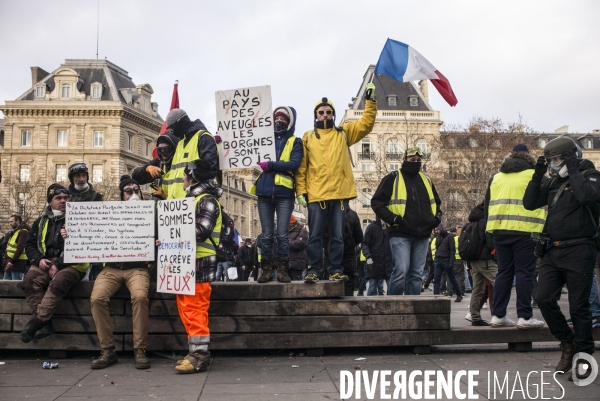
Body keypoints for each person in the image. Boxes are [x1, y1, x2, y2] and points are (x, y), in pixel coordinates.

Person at [524, 137, 600, 380]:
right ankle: (568, 344)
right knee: (544, 298)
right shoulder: (554, 181)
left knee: (579, 307)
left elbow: (587, 196)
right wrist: (537, 175)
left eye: (557, 159)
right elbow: (529, 203)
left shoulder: (590, 175)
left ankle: (585, 357)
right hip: (553, 250)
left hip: (580, 248)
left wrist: (574, 167)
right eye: (550, 161)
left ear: (570, 156)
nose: (554, 165)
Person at [296, 83, 377, 284]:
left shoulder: (344, 133)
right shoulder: (307, 137)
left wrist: (370, 101)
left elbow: (366, 124)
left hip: (339, 195)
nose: (325, 115)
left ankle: (334, 270)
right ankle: (313, 270)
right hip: (316, 195)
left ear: (333, 114)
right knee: (314, 236)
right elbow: (302, 167)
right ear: (316, 115)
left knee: (337, 236)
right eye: (322, 112)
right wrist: (301, 191)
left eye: (329, 112)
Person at [89, 175, 151, 370]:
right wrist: (69, 233)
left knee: (140, 297)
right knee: (97, 298)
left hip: (138, 268)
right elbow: (92, 233)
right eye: (128, 191)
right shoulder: (111, 213)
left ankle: (140, 350)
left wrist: (157, 242)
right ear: (122, 195)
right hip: (112, 268)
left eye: (136, 190)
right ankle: (107, 350)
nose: (133, 193)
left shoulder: (150, 213)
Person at [486, 144, 546, 329]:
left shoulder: (496, 177)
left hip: (499, 228)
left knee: (504, 272)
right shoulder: (533, 175)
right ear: (528, 158)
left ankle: (498, 315)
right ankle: (525, 317)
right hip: (525, 229)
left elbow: (488, 202)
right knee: (524, 272)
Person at [20, 184, 89, 343]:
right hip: (45, 261)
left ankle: (35, 323)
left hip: (72, 264)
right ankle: (46, 323)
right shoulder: (40, 221)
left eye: (66, 198)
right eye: (58, 198)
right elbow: (30, 245)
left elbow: (83, 246)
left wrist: (58, 263)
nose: (63, 201)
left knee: (58, 282)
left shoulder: (80, 218)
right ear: (50, 201)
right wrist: (39, 259)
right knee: (29, 281)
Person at [172, 160, 223, 373]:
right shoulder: (192, 200)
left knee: (195, 308)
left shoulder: (206, 200)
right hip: (187, 261)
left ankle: (199, 356)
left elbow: (202, 231)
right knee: (185, 307)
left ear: (191, 178)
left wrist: (171, 234)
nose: (182, 179)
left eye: (184, 176)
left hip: (200, 260)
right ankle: (194, 352)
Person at [371, 146, 443, 295]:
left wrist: (436, 219)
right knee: (401, 272)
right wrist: (394, 219)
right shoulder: (393, 177)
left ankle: (413, 309)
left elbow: (436, 202)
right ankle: (394, 308)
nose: (416, 162)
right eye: (412, 160)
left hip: (422, 234)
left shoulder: (426, 180)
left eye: (418, 160)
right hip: (400, 233)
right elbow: (377, 202)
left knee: (416, 275)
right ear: (404, 160)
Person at [252, 106, 302, 283]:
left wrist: (271, 165)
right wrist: (223, 141)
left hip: (284, 194)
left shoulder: (296, 141)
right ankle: (266, 270)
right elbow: (242, 148)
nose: (279, 121)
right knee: (266, 235)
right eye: (276, 118)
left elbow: (294, 164)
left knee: (282, 234)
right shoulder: (264, 139)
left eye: (283, 119)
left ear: (290, 122)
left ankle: (282, 270)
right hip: (264, 192)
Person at [164, 109, 219, 200]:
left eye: (173, 128)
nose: (173, 132)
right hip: (175, 205)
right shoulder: (180, 143)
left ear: (180, 123)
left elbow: (210, 170)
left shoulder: (203, 137)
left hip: (194, 202)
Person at [67, 163, 104, 281]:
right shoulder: (66, 197)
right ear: (72, 178)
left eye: (84, 175)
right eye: (77, 176)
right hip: (73, 249)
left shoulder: (97, 197)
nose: (81, 179)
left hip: (94, 246)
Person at [466, 202, 497, 326]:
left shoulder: (473, 221)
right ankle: (499, 315)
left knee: (477, 290)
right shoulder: (486, 221)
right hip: (486, 259)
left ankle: (475, 317)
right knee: (500, 283)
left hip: (474, 260)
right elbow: (490, 243)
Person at [324, 206, 363, 295]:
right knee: (348, 288)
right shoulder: (353, 214)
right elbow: (359, 237)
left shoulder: (326, 214)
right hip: (348, 256)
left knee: (329, 288)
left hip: (329, 256)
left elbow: (322, 237)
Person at [132, 130, 180, 199]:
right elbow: (135, 177)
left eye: (166, 150)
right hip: (157, 207)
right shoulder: (158, 163)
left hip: (175, 207)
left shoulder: (181, 164)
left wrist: (166, 196)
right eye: (160, 150)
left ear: (173, 148)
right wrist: (147, 168)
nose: (163, 153)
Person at [361, 217, 392, 296]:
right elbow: (365, 244)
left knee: (391, 289)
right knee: (372, 287)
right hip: (375, 262)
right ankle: (368, 306)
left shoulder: (389, 227)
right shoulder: (372, 227)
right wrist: (368, 257)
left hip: (387, 262)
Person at [432, 224, 463, 302]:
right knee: (436, 279)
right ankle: (436, 296)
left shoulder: (449, 237)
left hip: (446, 260)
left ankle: (459, 294)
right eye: (436, 230)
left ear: (441, 229)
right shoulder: (438, 237)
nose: (437, 231)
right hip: (438, 260)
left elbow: (452, 250)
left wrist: (451, 262)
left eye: (438, 230)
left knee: (452, 278)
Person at [2, 214, 30, 280]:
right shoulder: (15, 231)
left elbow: (20, 248)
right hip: (10, 262)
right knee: (5, 284)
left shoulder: (23, 232)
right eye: (9, 222)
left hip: (16, 262)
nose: (10, 223)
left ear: (17, 221)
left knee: (16, 284)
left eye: (12, 221)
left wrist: (12, 261)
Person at [444, 227, 465, 297]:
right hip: (459, 259)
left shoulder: (447, 238)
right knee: (459, 276)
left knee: (450, 275)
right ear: (456, 232)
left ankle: (449, 292)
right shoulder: (458, 238)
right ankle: (460, 291)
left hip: (450, 259)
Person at [288, 216, 308, 281]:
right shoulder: (284, 231)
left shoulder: (302, 230)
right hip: (286, 265)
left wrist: (286, 243)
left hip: (297, 265)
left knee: (297, 285)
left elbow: (299, 244)